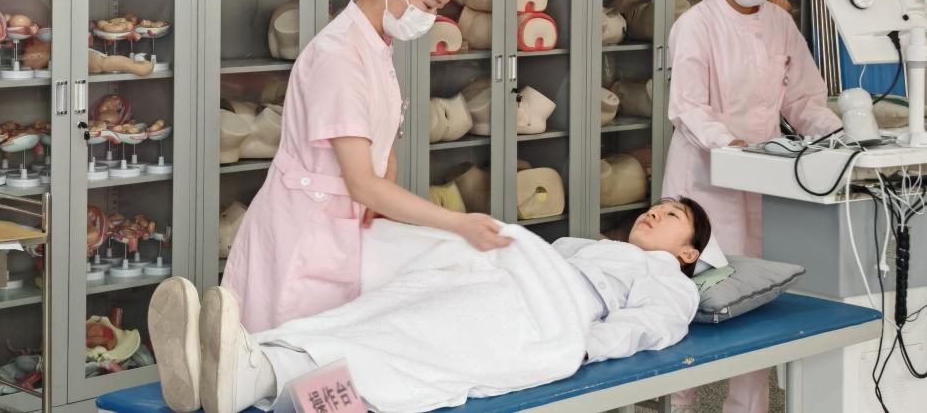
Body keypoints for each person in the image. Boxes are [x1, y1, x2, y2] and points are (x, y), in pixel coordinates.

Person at [222, 0, 511, 334]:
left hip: (344, 225)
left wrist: (383, 207)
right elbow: (360, 181)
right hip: (306, 232)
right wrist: (458, 223)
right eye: (430, 6)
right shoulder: (339, 56)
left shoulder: (375, 44)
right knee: (293, 354)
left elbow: (381, 146)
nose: (431, 19)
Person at [149, 198, 711, 413]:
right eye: (657, 206)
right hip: (505, 275)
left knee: (422, 333)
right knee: (387, 308)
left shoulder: (668, 279)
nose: (655, 213)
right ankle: (250, 357)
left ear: (689, 252)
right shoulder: (587, 246)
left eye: (672, 217)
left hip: (549, 308)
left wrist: (581, 346)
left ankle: (259, 373)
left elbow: (649, 327)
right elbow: (530, 255)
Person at [662, 0, 841, 413]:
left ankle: (749, 406)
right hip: (706, 174)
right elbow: (688, 106)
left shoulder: (780, 23)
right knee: (698, 293)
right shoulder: (696, 24)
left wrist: (836, 136)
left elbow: (802, 98)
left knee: (758, 296)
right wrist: (730, 144)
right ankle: (680, 402)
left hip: (766, 175)